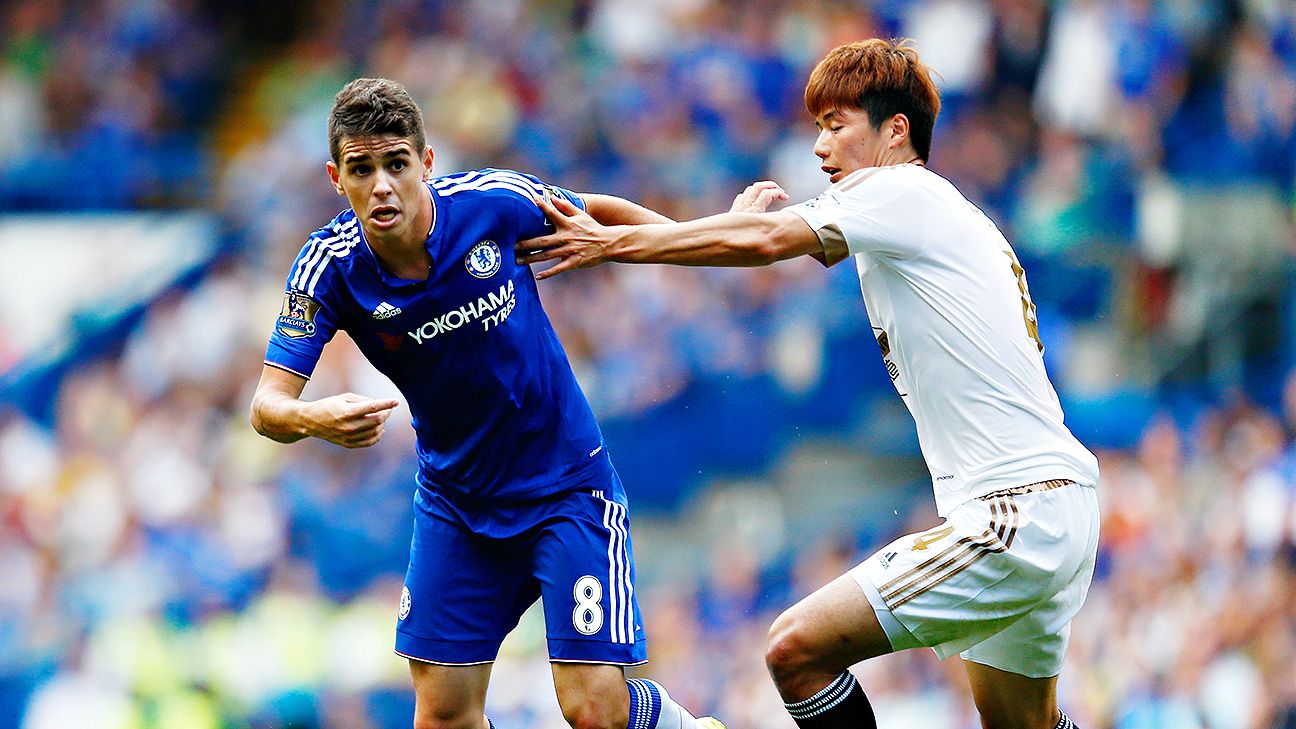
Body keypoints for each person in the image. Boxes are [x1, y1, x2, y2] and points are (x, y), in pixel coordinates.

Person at [517, 39, 1100, 729]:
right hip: (1056, 508)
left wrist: (613, 244)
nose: (820, 146)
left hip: (1013, 513)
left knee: (795, 649)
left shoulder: (898, 190)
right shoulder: (920, 213)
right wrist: (684, 226)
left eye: (836, 123)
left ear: (895, 131)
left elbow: (761, 244)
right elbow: (748, 250)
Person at [250, 77, 724, 729]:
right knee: (442, 715)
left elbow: (598, 213)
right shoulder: (326, 266)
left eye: (396, 164)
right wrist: (313, 418)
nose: (382, 185)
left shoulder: (491, 204)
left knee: (594, 711)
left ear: (426, 163)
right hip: (458, 505)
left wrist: (705, 239)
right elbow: (267, 407)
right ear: (338, 177)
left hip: (567, 489)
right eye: (362, 169)